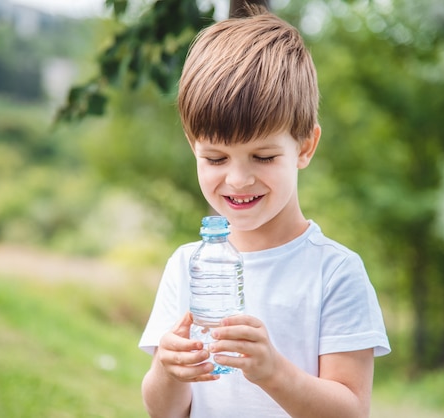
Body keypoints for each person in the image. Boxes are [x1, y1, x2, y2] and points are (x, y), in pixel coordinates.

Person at [138, 7, 390, 418]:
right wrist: (169, 372)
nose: (238, 180)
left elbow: (351, 411)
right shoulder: (187, 265)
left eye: (263, 156)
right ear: (193, 148)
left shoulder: (335, 272)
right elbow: (164, 411)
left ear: (304, 147)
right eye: (216, 159)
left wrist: (273, 372)